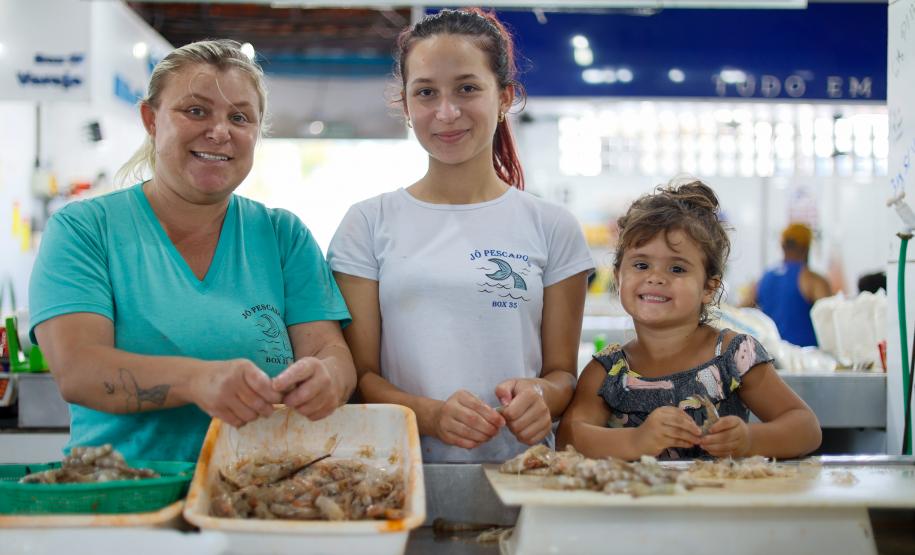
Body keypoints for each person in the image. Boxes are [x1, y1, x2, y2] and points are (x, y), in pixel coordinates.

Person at [28, 40, 356, 462]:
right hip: (123, 497)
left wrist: (328, 376)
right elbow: (78, 371)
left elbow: (330, 352)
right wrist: (197, 381)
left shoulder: (282, 235)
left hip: (263, 491)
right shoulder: (85, 229)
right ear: (150, 119)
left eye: (239, 117)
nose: (219, 132)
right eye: (196, 111)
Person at [327, 9, 594, 463]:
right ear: (407, 106)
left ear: (505, 97)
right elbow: (362, 376)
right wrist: (429, 415)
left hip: (522, 477)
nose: (446, 112)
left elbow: (563, 375)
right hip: (399, 473)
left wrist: (540, 396)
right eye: (426, 92)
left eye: (467, 88)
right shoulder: (367, 223)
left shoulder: (552, 226)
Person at [557, 180, 821, 460]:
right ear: (619, 276)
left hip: (717, 502)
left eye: (677, 268)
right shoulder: (608, 372)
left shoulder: (733, 356)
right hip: (635, 503)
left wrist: (749, 439)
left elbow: (806, 427)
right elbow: (568, 438)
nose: (655, 277)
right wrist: (635, 440)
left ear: (709, 287)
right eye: (641, 265)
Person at [744, 223, 831, 347]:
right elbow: (830, 322)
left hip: (772, 355)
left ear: (783, 246)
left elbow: (742, 310)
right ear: (806, 247)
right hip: (806, 359)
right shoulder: (812, 280)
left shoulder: (764, 278)